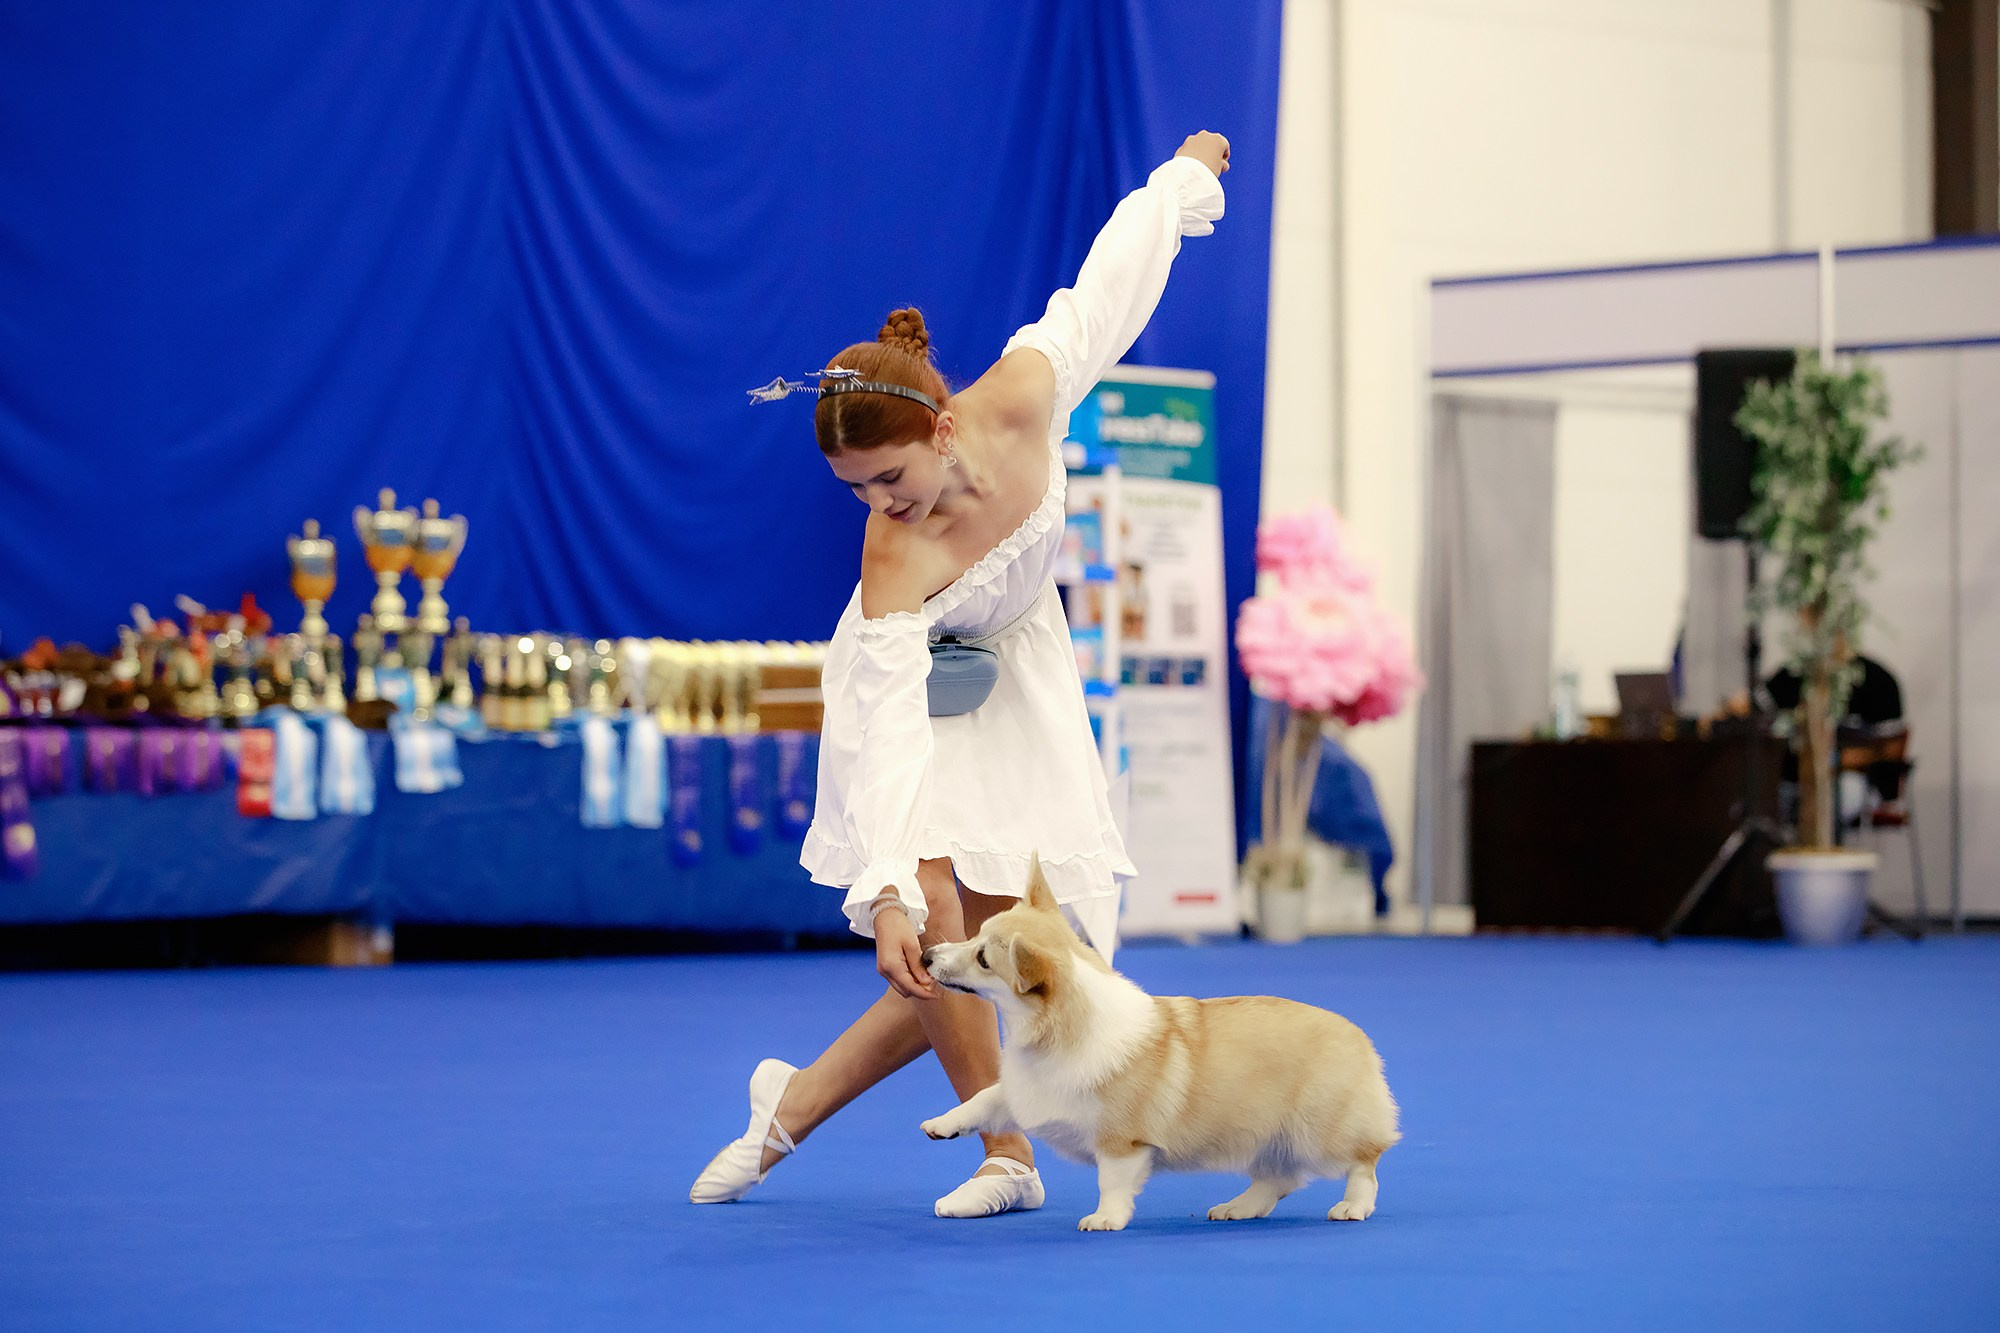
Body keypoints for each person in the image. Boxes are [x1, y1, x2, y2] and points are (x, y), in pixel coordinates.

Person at [690, 131, 1230, 1218]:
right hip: (907, 697)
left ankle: (789, 1107)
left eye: (888, 477)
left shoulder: (1027, 395)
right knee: (935, 914)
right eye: (852, 491)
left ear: (943, 428)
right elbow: (887, 730)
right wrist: (885, 882)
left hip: (1016, 663)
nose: (876, 507)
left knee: (1019, 945)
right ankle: (1009, 1160)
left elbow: (1105, 285)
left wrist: (1176, 185)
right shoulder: (892, 558)